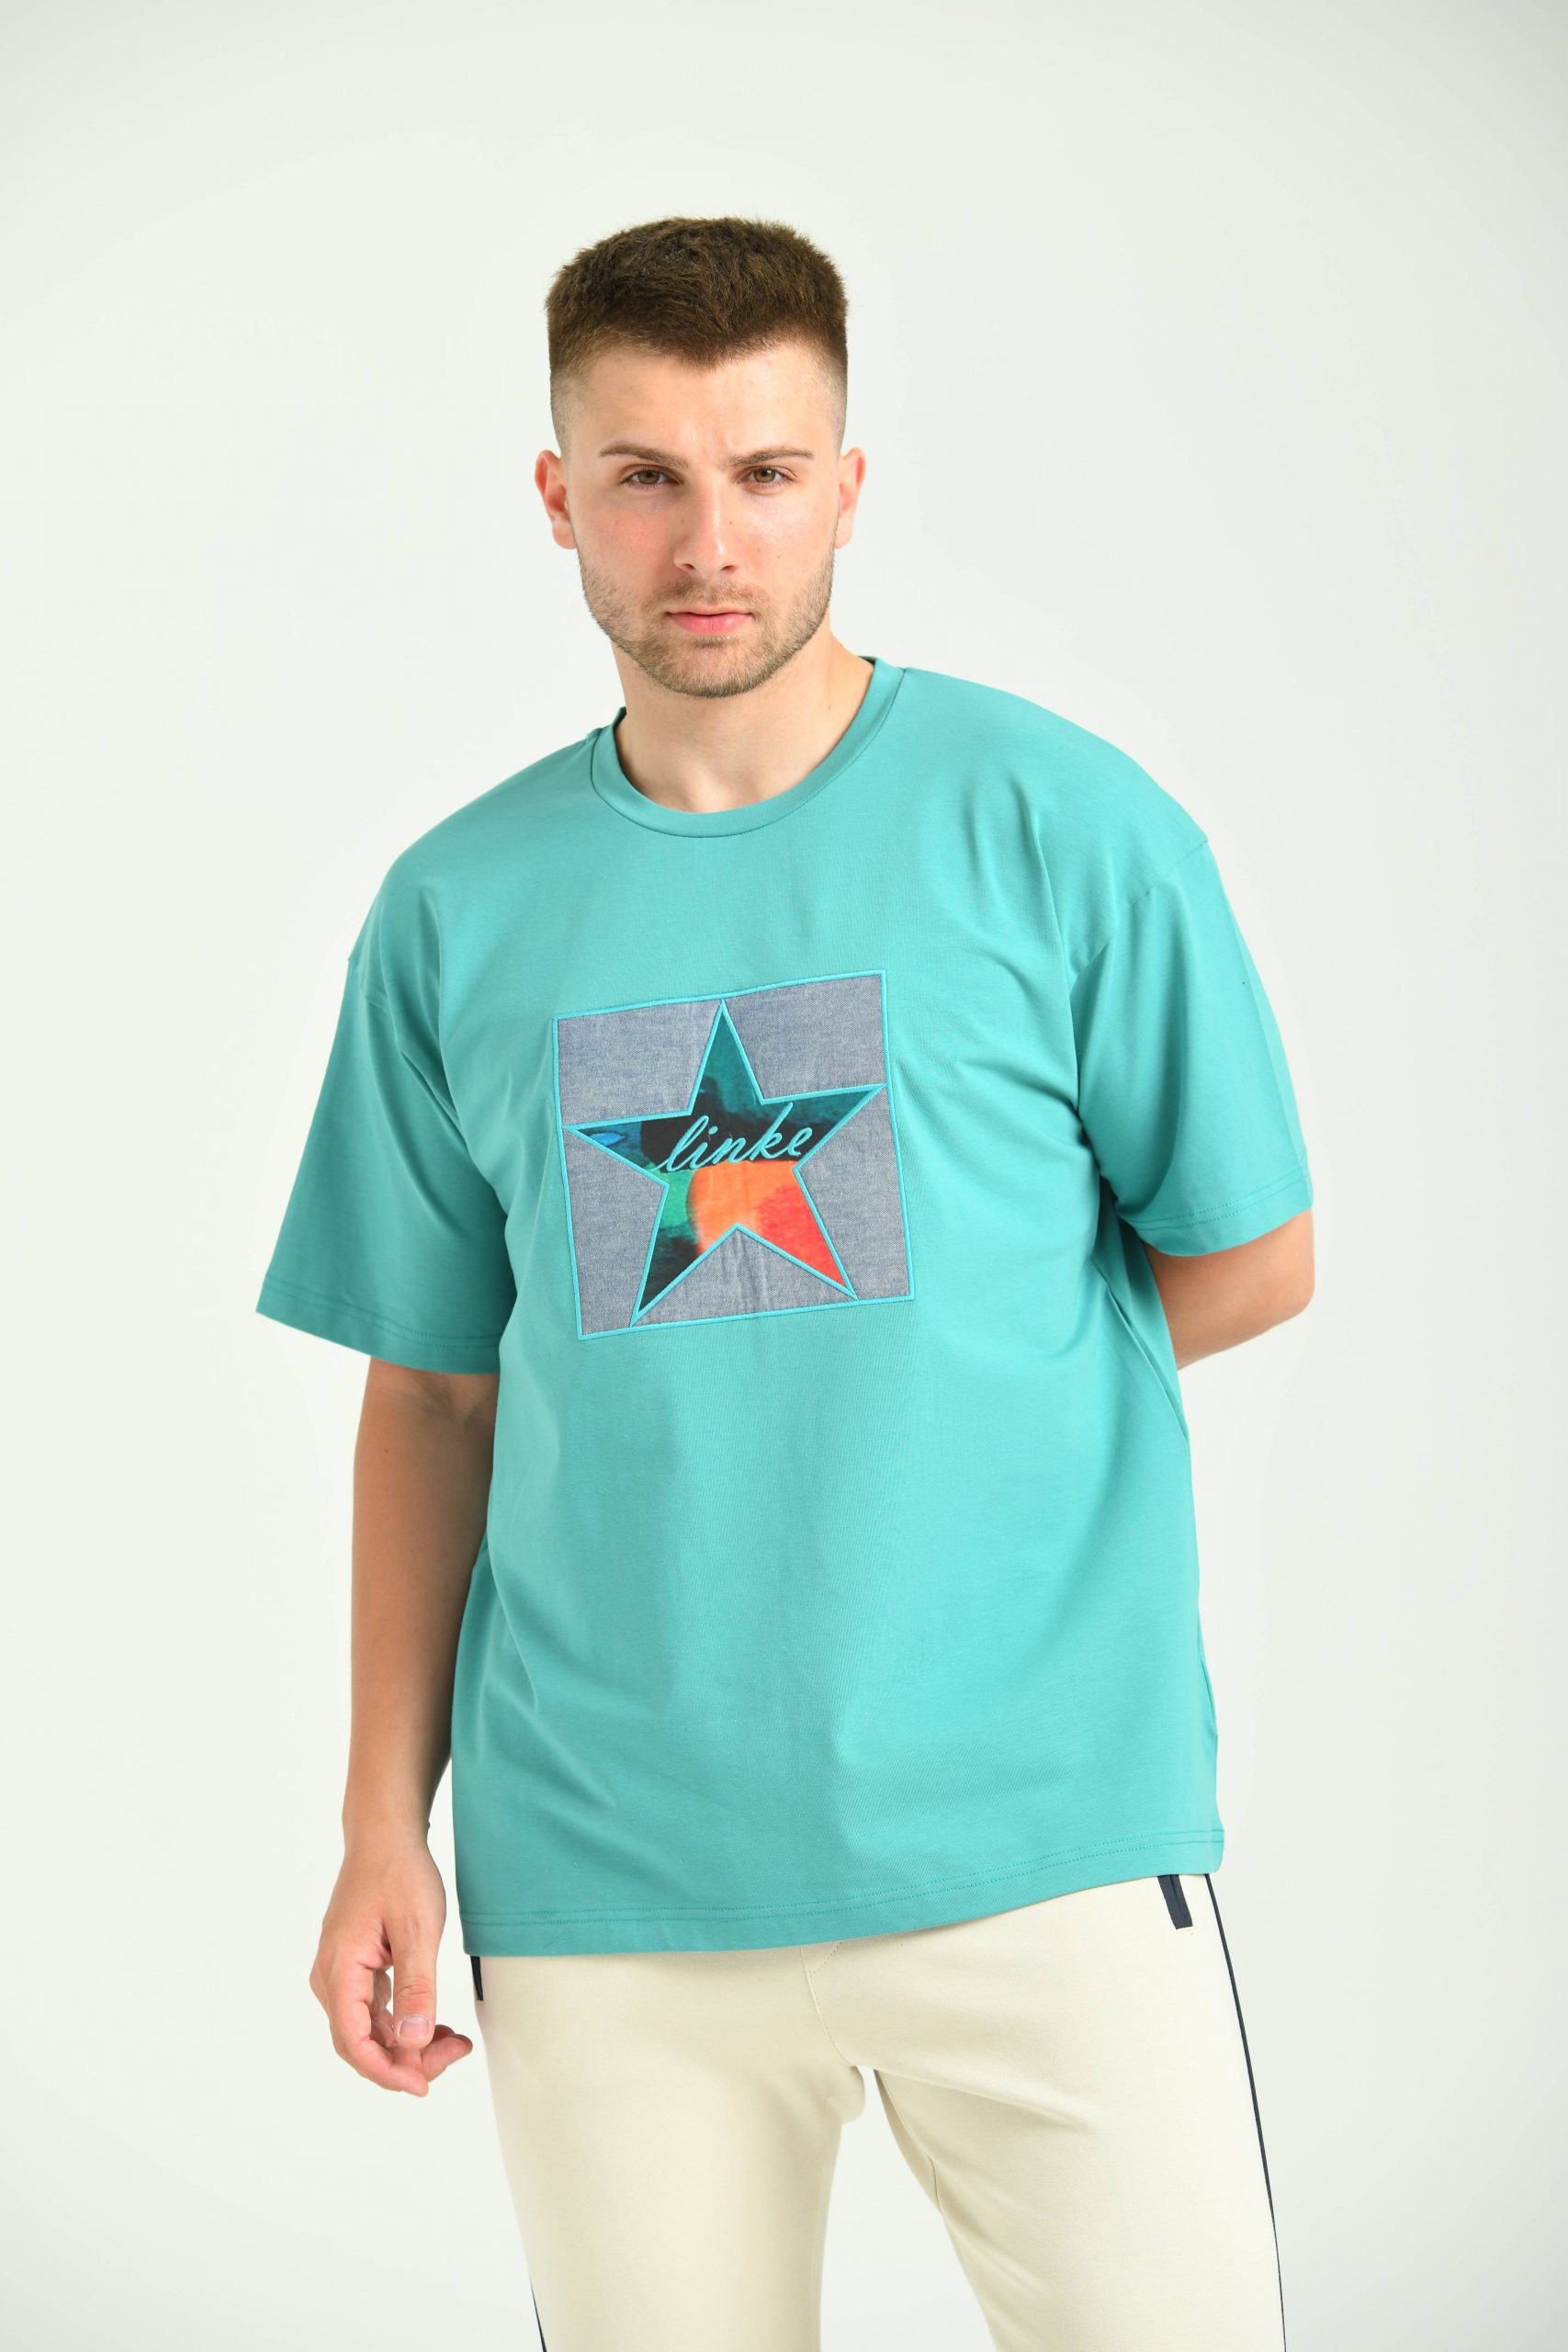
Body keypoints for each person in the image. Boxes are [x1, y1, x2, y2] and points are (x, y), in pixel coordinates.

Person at [255, 213, 1314, 2351]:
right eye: (642, 475)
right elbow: (435, 1389)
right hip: (609, 1879)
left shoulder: (1061, 827)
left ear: (846, 484)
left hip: (1040, 1841)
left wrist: (969, 1377)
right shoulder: (453, 909)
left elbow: (1249, 1253)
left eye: (759, 471)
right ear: (556, 496)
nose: (705, 539)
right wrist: (383, 1821)